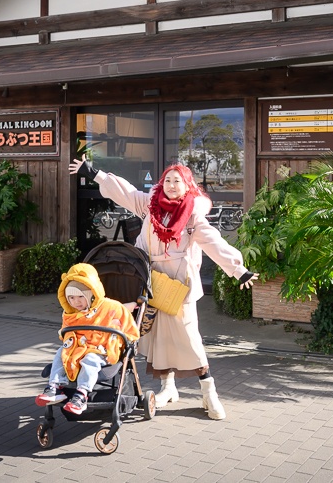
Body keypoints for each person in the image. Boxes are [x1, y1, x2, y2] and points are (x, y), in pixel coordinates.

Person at [70, 157, 257, 420]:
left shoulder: (192, 213)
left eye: (177, 181)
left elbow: (213, 242)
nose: (171, 185)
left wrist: (238, 269)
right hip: (149, 281)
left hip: (180, 286)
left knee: (189, 338)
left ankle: (208, 391)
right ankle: (168, 387)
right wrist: (95, 173)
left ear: (187, 185)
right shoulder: (149, 204)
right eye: (167, 180)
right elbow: (125, 192)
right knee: (156, 336)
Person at [35, 262, 139, 415]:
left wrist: (125, 343)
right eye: (71, 297)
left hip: (102, 348)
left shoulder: (112, 308)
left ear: (91, 293)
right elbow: (65, 333)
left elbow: (130, 329)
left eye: (80, 297)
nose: (76, 302)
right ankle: (55, 387)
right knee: (61, 353)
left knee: (90, 358)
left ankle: (81, 395)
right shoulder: (70, 314)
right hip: (79, 347)